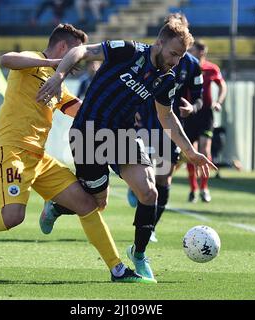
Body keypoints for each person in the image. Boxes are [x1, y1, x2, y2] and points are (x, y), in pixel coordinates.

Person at [0, 24, 149, 284]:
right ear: (64, 47)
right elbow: (6, 59)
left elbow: (80, 110)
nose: (77, 63)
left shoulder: (58, 84)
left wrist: (116, 111)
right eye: (76, 54)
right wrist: (61, 64)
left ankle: (117, 269)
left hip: (39, 158)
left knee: (88, 204)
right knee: (13, 217)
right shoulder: (34, 61)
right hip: (11, 150)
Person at [36, 18, 217, 282]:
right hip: (88, 133)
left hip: (122, 135)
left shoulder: (167, 79)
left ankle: (139, 253)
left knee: (149, 191)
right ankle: (56, 206)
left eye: (181, 57)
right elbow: (82, 51)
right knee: (96, 203)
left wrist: (189, 151)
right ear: (159, 43)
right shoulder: (129, 50)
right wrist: (59, 75)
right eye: (173, 53)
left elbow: (167, 117)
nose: (176, 61)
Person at [123, 14, 203, 243]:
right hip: (145, 122)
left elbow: (199, 97)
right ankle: (137, 188)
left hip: (171, 125)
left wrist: (193, 107)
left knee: (164, 178)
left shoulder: (192, 66)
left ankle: (150, 227)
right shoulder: (149, 56)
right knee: (144, 170)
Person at [185, 40, 227, 203]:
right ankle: (193, 188)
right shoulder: (187, 67)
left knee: (205, 149)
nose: (198, 53)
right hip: (189, 114)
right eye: (196, 50)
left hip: (205, 115)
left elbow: (222, 86)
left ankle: (204, 187)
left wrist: (219, 102)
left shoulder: (211, 68)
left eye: (201, 50)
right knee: (190, 152)